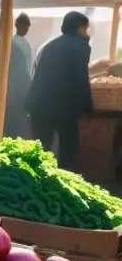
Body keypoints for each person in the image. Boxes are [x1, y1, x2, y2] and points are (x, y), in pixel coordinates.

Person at [26, 11, 93, 169]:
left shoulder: (50, 44)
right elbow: (80, 77)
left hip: (39, 104)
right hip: (63, 106)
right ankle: (60, 182)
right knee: (69, 147)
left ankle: (37, 181)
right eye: (86, 28)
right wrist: (88, 105)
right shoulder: (81, 46)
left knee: (41, 148)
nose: (87, 32)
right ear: (78, 27)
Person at [13, 13, 34, 78]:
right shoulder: (11, 42)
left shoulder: (27, 44)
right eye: (24, 26)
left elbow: (29, 66)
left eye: (27, 27)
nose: (26, 29)